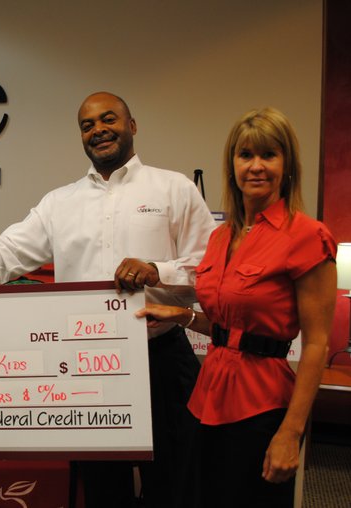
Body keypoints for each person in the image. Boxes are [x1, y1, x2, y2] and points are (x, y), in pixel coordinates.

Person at [0, 92, 216, 508]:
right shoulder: (60, 203)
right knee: (100, 489)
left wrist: (159, 271)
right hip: (90, 368)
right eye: (87, 125)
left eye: (108, 119)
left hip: (162, 360)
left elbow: (211, 273)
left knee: (174, 484)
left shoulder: (175, 189)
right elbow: (1, 256)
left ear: (132, 125)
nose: (98, 129)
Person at [135, 107, 337, 508]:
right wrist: (185, 317)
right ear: (232, 165)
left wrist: (290, 433)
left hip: (261, 407)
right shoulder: (221, 236)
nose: (256, 166)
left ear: (288, 164)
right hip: (204, 397)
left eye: (269, 155)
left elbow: (317, 344)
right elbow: (232, 326)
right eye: (246, 156)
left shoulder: (307, 236)